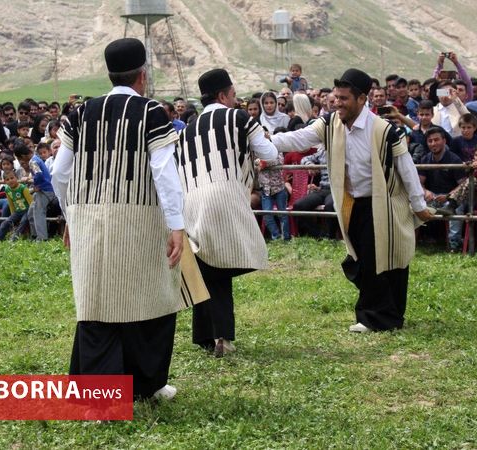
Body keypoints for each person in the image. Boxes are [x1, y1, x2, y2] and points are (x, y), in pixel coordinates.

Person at [51, 38, 194, 401]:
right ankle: (147, 384)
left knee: (96, 302)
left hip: (89, 217)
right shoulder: (151, 113)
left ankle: (97, 397)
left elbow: (60, 174)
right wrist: (177, 225)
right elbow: (164, 172)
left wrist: (73, 214)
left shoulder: (79, 115)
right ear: (142, 75)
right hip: (139, 218)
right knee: (152, 296)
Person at [271, 68, 433, 333]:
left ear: (361, 99)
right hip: (352, 205)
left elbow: (406, 167)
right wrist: (268, 141)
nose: (338, 103)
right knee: (361, 261)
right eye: (336, 97)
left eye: (344, 98)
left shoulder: (384, 130)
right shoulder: (330, 124)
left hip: (383, 205)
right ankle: (383, 315)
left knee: (384, 261)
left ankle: (376, 318)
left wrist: (418, 205)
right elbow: (300, 139)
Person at [176, 68, 278, 356]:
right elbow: (269, 154)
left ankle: (206, 337)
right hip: (225, 195)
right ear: (222, 95)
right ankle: (223, 337)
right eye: (233, 95)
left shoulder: (187, 128)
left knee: (207, 266)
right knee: (222, 267)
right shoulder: (239, 118)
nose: (236, 101)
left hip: (191, 200)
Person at [14, 142, 55, 241]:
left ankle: (42, 238)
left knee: (38, 212)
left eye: (20, 159)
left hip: (45, 190)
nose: (20, 161)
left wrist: (35, 184)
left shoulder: (33, 162)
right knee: (31, 213)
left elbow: (39, 175)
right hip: (42, 189)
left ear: (23, 156)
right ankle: (34, 235)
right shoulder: (36, 159)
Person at [0, 171, 32, 243]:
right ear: (5, 182)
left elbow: (31, 202)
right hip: (18, 211)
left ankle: (14, 239)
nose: (10, 180)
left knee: (23, 221)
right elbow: (11, 203)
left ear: (16, 178)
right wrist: (13, 215)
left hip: (27, 210)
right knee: (6, 223)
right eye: (7, 179)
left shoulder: (23, 188)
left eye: (12, 178)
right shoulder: (7, 189)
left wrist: (30, 213)